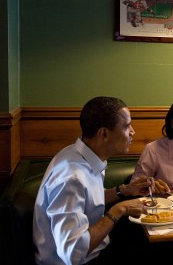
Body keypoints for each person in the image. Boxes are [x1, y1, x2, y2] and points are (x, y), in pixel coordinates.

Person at [33, 96, 151, 264]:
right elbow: (73, 254)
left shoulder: (82, 154)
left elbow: (88, 200)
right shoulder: (71, 178)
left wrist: (124, 191)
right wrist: (120, 209)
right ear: (104, 133)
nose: (133, 131)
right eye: (126, 126)